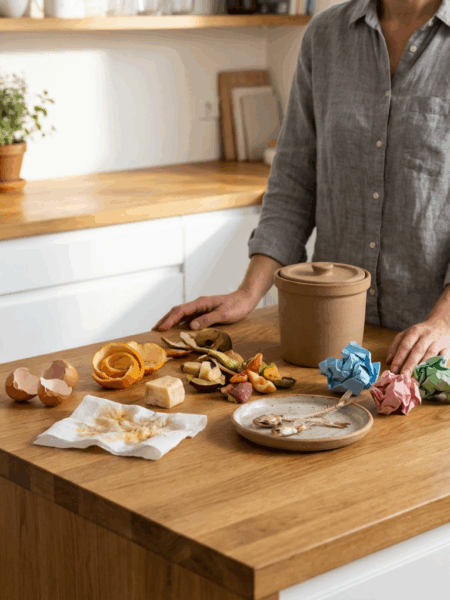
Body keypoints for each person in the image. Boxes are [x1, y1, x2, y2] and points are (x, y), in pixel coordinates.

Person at [154, 0, 450, 378]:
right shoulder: (325, 35)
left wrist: (444, 322)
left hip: (433, 352)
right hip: (330, 342)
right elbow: (294, 176)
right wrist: (249, 292)